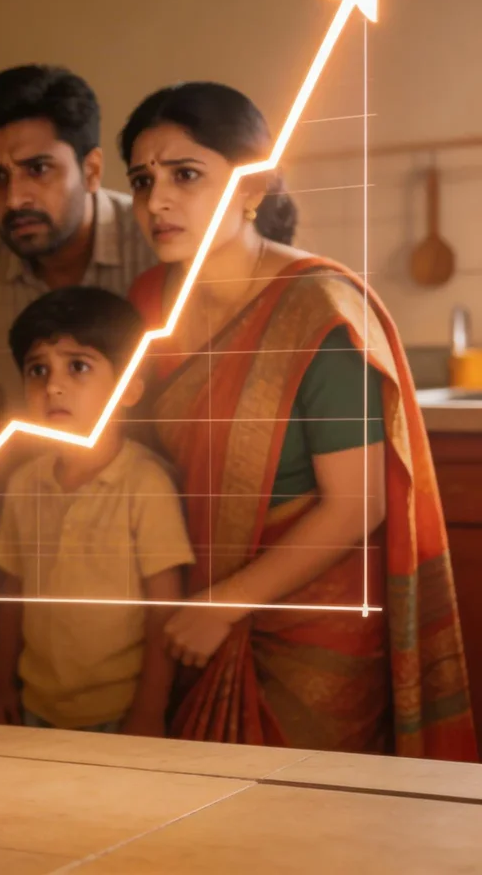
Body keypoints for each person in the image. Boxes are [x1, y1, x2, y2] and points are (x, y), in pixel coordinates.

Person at [119, 80, 477, 760]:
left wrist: (224, 605)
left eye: (185, 175)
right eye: (142, 181)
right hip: (183, 612)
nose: (156, 201)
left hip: (305, 626)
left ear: (253, 187)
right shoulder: (147, 305)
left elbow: (358, 502)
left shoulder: (317, 311)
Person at [0, 65, 156, 608]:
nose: (15, 198)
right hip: (43, 527)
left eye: (37, 169)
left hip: (161, 516)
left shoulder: (156, 246)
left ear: (91, 169)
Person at [0, 287, 194, 735]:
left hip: (118, 712)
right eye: (37, 369)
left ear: (130, 387)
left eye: (78, 366)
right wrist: (3, 684)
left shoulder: (145, 485)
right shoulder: (24, 484)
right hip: (35, 705)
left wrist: (149, 709)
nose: (53, 386)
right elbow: (12, 593)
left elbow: (163, 610)